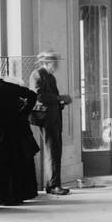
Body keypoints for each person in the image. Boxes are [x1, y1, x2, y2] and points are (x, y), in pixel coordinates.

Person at [0, 60, 40, 205]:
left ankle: (9, 196)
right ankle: (23, 193)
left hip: (3, 130)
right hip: (20, 128)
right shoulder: (11, 86)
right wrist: (24, 112)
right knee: (22, 161)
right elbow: (32, 95)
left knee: (7, 163)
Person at [29, 51, 71, 195]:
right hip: (46, 119)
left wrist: (61, 101)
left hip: (53, 117)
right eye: (55, 62)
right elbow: (39, 96)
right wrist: (60, 98)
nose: (57, 65)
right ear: (46, 63)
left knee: (55, 151)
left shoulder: (49, 77)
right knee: (52, 151)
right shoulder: (37, 74)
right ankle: (53, 185)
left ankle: (52, 184)